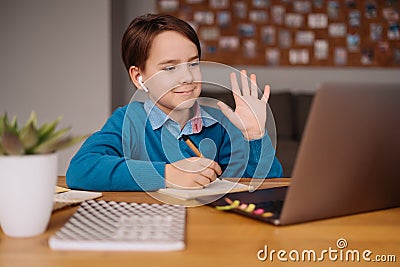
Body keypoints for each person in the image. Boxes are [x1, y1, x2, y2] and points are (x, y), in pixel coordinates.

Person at [66, 14, 282, 191]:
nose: (187, 77)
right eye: (170, 68)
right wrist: (168, 174)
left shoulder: (220, 123)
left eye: (193, 63)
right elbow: (80, 170)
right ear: (138, 77)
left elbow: (268, 184)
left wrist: (255, 136)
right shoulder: (128, 121)